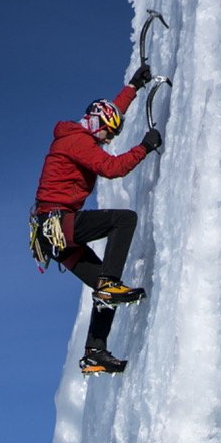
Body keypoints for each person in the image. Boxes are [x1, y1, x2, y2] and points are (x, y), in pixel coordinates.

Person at [30, 79, 164, 375]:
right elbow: (112, 168)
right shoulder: (78, 141)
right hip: (58, 224)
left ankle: (95, 352)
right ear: (94, 123)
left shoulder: (81, 135)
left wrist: (134, 86)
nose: (107, 139)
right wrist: (144, 147)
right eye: (107, 132)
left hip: (53, 234)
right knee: (124, 220)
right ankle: (107, 288)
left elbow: (111, 111)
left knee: (107, 286)